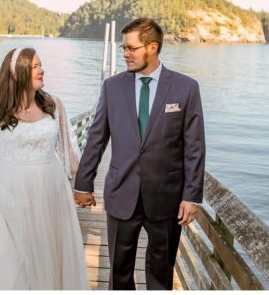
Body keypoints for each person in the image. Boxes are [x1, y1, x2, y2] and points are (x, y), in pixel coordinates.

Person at [74, 18, 206, 290]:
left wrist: (191, 196)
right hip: (122, 194)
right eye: (123, 48)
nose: (125, 54)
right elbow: (96, 139)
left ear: (153, 47)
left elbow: (194, 147)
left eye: (132, 48)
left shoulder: (186, 88)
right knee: (119, 272)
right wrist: (84, 184)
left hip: (166, 198)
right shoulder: (112, 87)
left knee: (161, 273)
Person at [0, 47, 88, 290]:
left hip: (50, 196)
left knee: (48, 260)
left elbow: (70, 155)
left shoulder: (54, 106)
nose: (42, 70)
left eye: (41, 65)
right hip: (7, 200)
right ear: (18, 73)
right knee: (10, 269)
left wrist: (84, 185)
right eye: (35, 66)